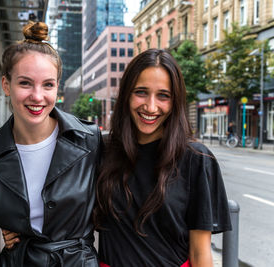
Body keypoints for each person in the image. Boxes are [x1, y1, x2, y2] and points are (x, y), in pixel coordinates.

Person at [0, 21, 101, 266]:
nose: (37, 96)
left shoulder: (89, 139)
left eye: (48, 84)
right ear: (7, 85)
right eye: (25, 83)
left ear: (57, 87)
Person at [94, 49, 232, 267]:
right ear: (126, 94)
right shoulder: (103, 149)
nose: (150, 106)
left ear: (175, 101)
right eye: (141, 92)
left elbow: (200, 252)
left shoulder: (196, 159)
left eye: (163, 96)